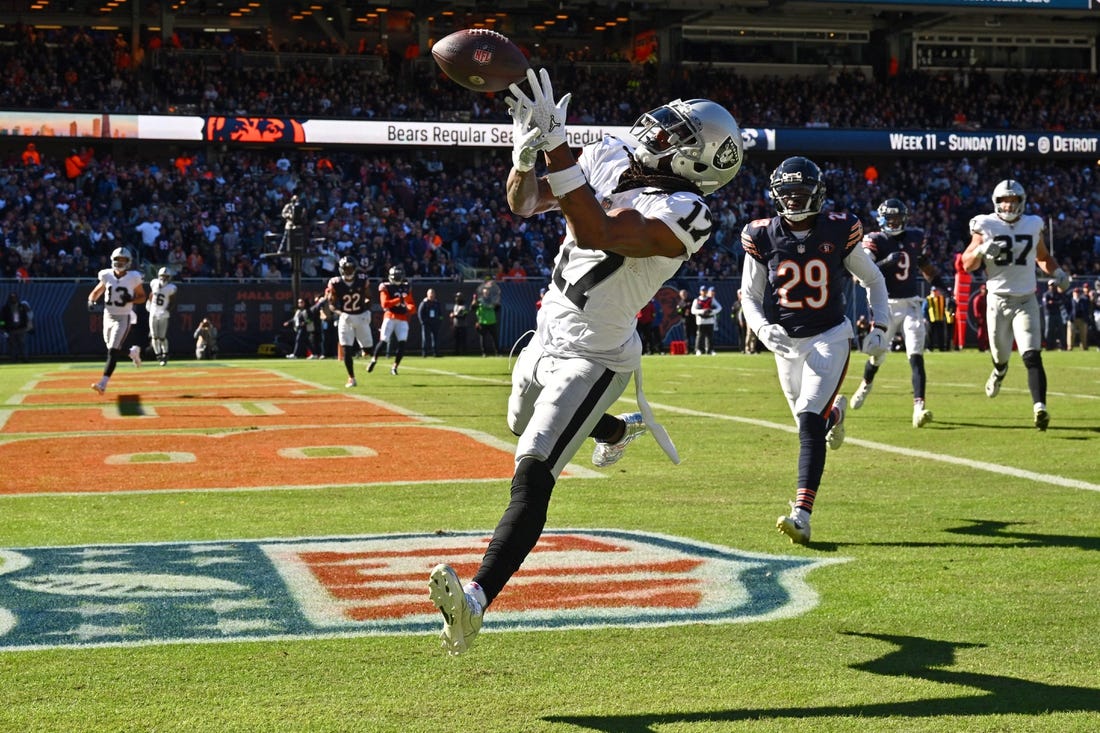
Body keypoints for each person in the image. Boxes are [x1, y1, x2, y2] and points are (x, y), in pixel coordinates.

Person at [428, 67, 744, 655]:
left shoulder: (687, 211)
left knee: (532, 469)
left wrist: (557, 148)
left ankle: (474, 603)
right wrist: (527, 157)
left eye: (676, 136)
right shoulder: (610, 157)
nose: (657, 133)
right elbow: (525, 204)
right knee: (518, 423)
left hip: (595, 356)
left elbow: (598, 230)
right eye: (666, 124)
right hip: (546, 333)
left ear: (700, 164)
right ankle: (616, 427)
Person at [739, 156, 889, 545]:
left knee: (808, 422)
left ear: (818, 194)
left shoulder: (839, 229)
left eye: (800, 194)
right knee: (809, 423)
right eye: (786, 195)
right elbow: (750, 295)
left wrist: (881, 324)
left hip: (830, 335)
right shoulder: (761, 234)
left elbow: (872, 277)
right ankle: (836, 412)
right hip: (786, 342)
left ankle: (802, 516)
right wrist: (761, 327)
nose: (792, 201)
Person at [961, 179, 1069, 431]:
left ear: (1021, 202)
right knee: (1000, 355)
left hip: (1025, 299)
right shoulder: (985, 224)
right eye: (1004, 201)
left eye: (1013, 200)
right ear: (997, 203)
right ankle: (999, 372)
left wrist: (1058, 272)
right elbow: (967, 264)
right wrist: (980, 252)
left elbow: (1042, 257)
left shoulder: (1032, 224)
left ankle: (1039, 407)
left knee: (1032, 354)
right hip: (997, 301)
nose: (1009, 205)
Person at [850, 198, 947, 427]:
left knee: (916, 355)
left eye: (897, 218)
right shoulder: (874, 240)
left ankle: (918, 408)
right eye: (890, 218)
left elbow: (925, 265)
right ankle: (865, 384)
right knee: (877, 355)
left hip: (911, 304)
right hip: (885, 305)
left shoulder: (914, 237)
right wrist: (885, 263)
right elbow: (859, 275)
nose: (893, 222)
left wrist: (943, 287)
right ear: (882, 219)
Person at [88, 247, 146, 394]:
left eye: (123, 260)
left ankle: (103, 384)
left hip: (123, 317)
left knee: (113, 351)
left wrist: (132, 299)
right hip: (108, 316)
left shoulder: (133, 277)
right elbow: (96, 291)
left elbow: (142, 297)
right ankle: (132, 352)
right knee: (113, 349)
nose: (120, 263)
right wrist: (91, 300)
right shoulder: (106, 275)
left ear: (129, 262)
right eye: (117, 260)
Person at [326, 256, 374, 386]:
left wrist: (367, 310)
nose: (348, 271)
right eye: (346, 269)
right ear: (341, 270)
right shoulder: (335, 282)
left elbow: (369, 297)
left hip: (360, 316)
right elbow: (331, 304)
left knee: (369, 349)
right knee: (346, 348)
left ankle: (364, 351)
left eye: (350, 268)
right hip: (345, 318)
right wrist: (341, 314)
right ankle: (351, 378)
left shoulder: (362, 280)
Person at [367, 265, 415, 376]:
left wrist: (411, 308)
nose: (397, 279)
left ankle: (395, 367)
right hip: (390, 316)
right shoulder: (386, 286)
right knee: (383, 340)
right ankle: (374, 360)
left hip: (402, 318)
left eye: (399, 276)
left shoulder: (407, 286)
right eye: (396, 276)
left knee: (402, 344)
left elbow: (411, 303)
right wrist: (400, 299)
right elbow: (384, 304)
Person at [147, 267, 177, 366]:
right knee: (154, 337)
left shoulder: (171, 287)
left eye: (166, 276)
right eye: (162, 276)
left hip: (163, 313)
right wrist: (149, 304)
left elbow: (172, 302)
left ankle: (165, 354)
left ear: (169, 277)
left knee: (162, 337)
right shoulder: (154, 283)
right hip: (153, 312)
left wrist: (167, 310)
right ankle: (158, 355)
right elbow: (152, 295)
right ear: (159, 276)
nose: (163, 278)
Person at [1, 292, 33, 362]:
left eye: (15, 297)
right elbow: (2, 319)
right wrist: (2, 328)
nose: (13, 299)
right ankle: (14, 359)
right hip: (11, 329)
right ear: (9, 299)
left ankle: (25, 359)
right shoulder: (5, 308)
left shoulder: (22, 306)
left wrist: (27, 325)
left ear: (17, 298)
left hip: (21, 328)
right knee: (12, 345)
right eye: (12, 297)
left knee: (23, 344)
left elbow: (27, 316)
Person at [692, 286, 722, 354]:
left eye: (705, 291)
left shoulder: (711, 299)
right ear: (700, 292)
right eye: (702, 291)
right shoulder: (696, 300)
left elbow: (719, 307)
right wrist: (702, 311)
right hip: (700, 320)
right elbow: (693, 310)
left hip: (710, 320)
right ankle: (698, 350)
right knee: (700, 336)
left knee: (710, 336)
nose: (704, 292)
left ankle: (710, 350)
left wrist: (712, 311)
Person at [1041, 278, 1066, 350]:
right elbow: (1046, 305)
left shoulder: (1058, 294)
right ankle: (1048, 346)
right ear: (1048, 286)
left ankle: (1063, 346)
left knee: (1060, 330)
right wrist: (1055, 303)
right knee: (1048, 330)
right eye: (1050, 285)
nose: (1052, 286)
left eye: (1053, 285)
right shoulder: (1046, 294)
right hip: (1049, 314)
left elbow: (1061, 302)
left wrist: (1053, 302)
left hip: (1057, 314)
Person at [417, 288, 443, 357]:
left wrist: (439, 321)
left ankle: (435, 352)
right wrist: (423, 322)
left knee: (435, 338)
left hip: (435, 323)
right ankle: (424, 353)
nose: (431, 295)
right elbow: (420, 313)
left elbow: (440, 314)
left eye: (433, 293)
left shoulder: (437, 303)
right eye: (430, 293)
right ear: (427, 294)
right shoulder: (424, 303)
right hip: (426, 323)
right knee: (425, 338)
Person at [473, 292, 499, 357]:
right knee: (483, 339)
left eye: (487, 293)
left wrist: (496, 302)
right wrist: (474, 300)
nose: (486, 294)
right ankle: (484, 353)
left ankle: (497, 353)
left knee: (495, 338)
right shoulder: (479, 301)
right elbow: (472, 308)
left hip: (492, 322)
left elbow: (498, 308)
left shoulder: (492, 301)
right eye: (485, 293)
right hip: (482, 322)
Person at [924, 285, 949, 352]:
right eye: (934, 291)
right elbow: (924, 309)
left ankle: (942, 348)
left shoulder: (941, 298)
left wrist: (945, 316)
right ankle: (929, 348)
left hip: (940, 319)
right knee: (930, 334)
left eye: (936, 291)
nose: (935, 292)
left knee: (941, 334)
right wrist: (925, 318)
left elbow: (945, 308)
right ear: (931, 292)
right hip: (931, 319)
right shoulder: (928, 299)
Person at [1066, 286, 1090, 350]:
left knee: (1083, 334)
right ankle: (1070, 346)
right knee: (1071, 334)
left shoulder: (1084, 300)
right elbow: (1067, 309)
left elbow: (1087, 309)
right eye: (1075, 292)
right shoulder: (1070, 300)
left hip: (1082, 319)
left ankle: (1084, 346)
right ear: (1073, 293)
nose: (1077, 293)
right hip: (1072, 319)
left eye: (1078, 292)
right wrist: (1070, 316)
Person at [675, 288, 697, 353]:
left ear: (687, 294)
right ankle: (687, 349)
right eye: (682, 294)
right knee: (686, 336)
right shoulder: (680, 304)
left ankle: (696, 349)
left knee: (695, 335)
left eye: (685, 294)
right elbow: (678, 312)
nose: (684, 295)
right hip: (685, 321)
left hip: (693, 320)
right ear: (680, 295)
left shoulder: (692, 300)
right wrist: (681, 309)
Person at [970, 282, 989, 352]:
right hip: (981, 319)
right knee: (981, 333)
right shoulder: (978, 298)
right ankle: (981, 348)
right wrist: (978, 318)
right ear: (981, 289)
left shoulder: (987, 298)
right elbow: (976, 310)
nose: (985, 291)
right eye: (984, 289)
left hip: (987, 318)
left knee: (988, 334)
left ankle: (987, 347)